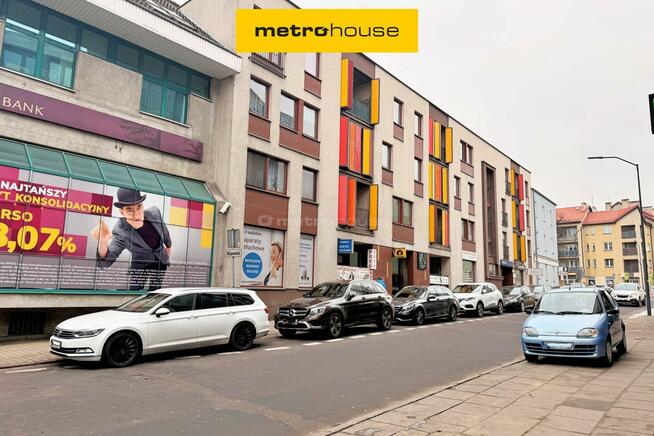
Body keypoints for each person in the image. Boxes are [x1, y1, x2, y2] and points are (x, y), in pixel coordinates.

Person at [92, 188, 172, 291]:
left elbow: (164, 229)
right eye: (129, 210)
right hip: (140, 265)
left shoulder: (154, 212)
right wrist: (103, 242)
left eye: (139, 207)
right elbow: (106, 262)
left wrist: (169, 245)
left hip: (160, 260)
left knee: (156, 291)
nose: (136, 215)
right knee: (133, 293)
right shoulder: (120, 231)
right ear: (122, 212)